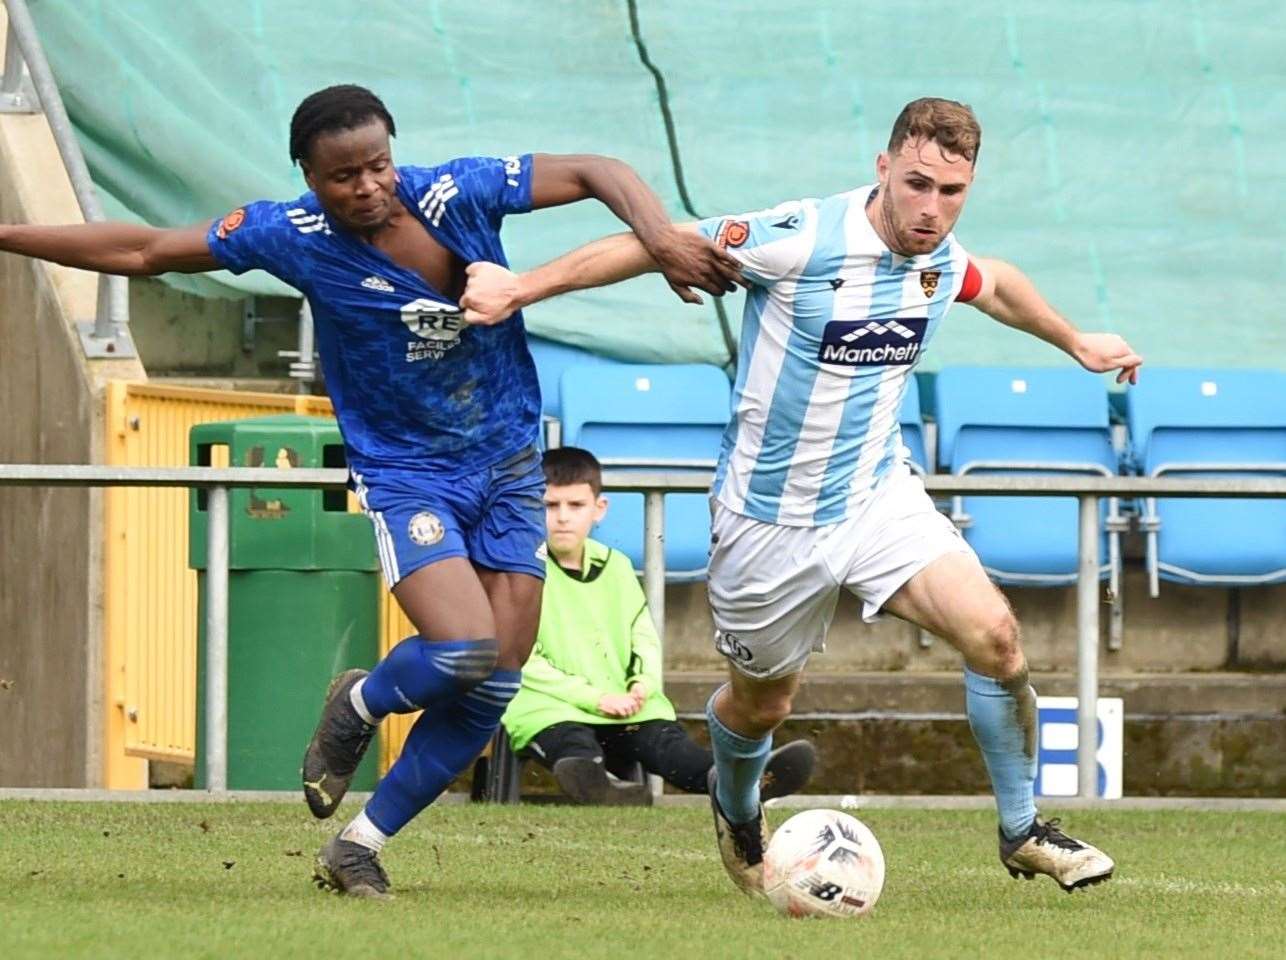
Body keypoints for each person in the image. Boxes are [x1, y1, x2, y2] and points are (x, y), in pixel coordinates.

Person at [0, 84, 742, 900]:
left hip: (506, 464)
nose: (367, 186)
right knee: (461, 651)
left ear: (395, 153)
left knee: (496, 681)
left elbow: (600, 169)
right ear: (309, 179)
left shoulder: (458, 191)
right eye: (343, 175)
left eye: (379, 165)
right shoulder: (290, 234)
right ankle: (359, 697)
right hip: (408, 472)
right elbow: (144, 249)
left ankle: (358, 844)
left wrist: (663, 239)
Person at [458, 97, 1142, 895]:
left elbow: (995, 285)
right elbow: (655, 244)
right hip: (768, 520)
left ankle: (1022, 830)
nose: (932, 208)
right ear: (883, 168)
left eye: (951, 193)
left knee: (997, 638)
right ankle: (735, 798)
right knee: (763, 702)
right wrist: (521, 289)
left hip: (876, 496)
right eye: (917, 184)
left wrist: (1075, 338)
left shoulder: (941, 256)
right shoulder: (805, 237)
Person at [502, 446, 816, 805]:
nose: (561, 518)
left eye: (574, 506)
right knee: (573, 745)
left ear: (598, 509)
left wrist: (641, 685)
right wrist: (596, 698)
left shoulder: (616, 566)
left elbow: (643, 637)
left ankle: (740, 781)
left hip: (624, 707)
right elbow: (521, 656)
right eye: (550, 505)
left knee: (668, 746)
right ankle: (600, 787)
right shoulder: (521, 568)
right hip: (552, 706)